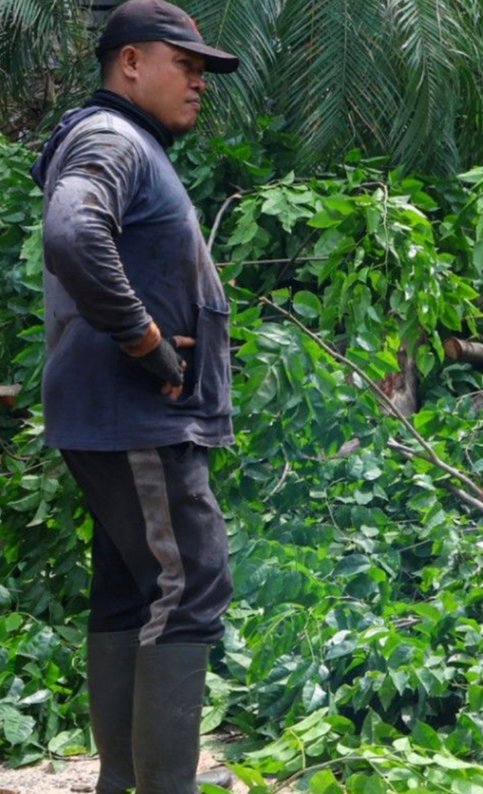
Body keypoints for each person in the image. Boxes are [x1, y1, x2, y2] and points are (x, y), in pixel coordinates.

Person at [30, 1, 240, 791]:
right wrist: (144, 339)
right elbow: (72, 232)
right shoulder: (111, 138)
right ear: (129, 63)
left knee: (136, 588)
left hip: (119, 418)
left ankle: (126, 779)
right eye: (183, 64)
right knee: (191, 582)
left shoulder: (123, 141)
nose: (198, 83)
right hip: (138, 417)